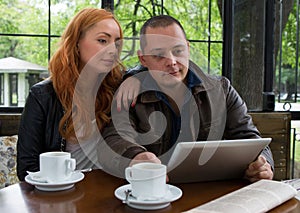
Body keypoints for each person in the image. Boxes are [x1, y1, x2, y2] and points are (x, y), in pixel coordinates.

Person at [100, 15, 274, 182]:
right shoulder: (129, 92)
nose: (172, 61)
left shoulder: (222, 90)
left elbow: (250, 137)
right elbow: (115, 137)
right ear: (143, 59)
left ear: (188, 49)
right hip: (155, 192)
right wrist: (136, 156)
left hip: (211, 191)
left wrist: (263, 164)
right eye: (159, 55)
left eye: (178, 50)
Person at [16, 8, 134, 181]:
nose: (112, 50)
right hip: (62, 193)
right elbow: (27, 168)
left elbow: (153, 71)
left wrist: (136, 78)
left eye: (117, 43)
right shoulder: (43, 95)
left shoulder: (117, 86)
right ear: (77, 42)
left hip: (109, 191)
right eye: (102, 40)